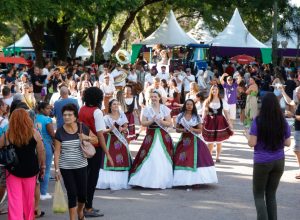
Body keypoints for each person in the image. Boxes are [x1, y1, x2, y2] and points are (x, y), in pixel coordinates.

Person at [246, 93, 291, 220]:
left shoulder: (258, 121)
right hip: (279, 161)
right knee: (271, 194)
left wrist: (247, 136)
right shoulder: (282, 120)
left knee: (259, 195)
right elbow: (288, 142)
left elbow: (252, 143)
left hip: (262, 161)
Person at [54, 104, 98, 220]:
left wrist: (86, 137)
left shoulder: (83, 128)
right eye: (64, 115)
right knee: (72, 194)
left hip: (81, 166)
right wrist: (57, 169)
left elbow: (96, 139)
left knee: (83, 195)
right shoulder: (59, 132)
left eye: (69, 115)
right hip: (66, 167)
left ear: (75, 116)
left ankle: (80, 212)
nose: (66, 117)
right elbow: (57, 152)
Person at [0, 109, 45, 220]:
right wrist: (42, 166)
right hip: (31, 170)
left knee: (14, 200)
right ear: (27, 119)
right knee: (29, 200)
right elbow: (41, 151)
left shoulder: (7, 135)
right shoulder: (34, 133)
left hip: (13, 171)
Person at [78, 87, 113, 217]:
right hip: (94, 148)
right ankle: (88, 208)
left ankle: (84, 206)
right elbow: (100, 135)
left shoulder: (82, 109)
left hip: (83, 146)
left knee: (85, 177)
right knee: (92, 179)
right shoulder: (97, 112)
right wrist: (108, 153)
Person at [129, 90, 173, 189]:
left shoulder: (164, 108)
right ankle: (145, 180)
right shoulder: (146, 109)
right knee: (149, 155)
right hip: (151, 135)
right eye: (152, 96)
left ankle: (162, 180)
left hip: (162, 134)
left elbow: (169, 123)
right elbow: (143, 123)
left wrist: (161, 121)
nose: (153, 98)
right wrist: (152, 120)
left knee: (161, 156)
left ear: (159, 98)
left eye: (155, 96)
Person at [173, 99, 218, 186]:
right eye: (187, 104)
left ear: (193, 106)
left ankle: (196, 181)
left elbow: (200, 130)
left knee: (197, 158)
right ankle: (182, 181)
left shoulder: (197, 117)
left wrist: (193, 129)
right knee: (182, 157)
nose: (189, 106)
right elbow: (177, 129)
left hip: (195, 139)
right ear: (185, 105)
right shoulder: (180, 116)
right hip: (184, 140)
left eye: (191, 104)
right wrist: (183, 129)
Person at [96, 99, 131, 190]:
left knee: (122, 158)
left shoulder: (122, 114)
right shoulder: (106, 117)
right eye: (114, 104)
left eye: (117, 104)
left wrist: (122, 129)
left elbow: (126, 126)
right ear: (110, 106)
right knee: (109, 158)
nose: (116, 106)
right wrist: (110, 129)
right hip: (110, 140)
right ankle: (107, 181)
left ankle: (121, 181)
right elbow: (102, 130)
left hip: (120, 140)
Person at [202, 85, 233, 162]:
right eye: (213, 89)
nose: (214, 91)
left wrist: (229, 122)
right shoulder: (207, 101)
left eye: (216, 89)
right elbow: (204, 112)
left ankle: (217, 157)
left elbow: (226, 112)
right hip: (210, 122)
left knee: (219, 141)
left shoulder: (222, 101)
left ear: (218, 91)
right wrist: (202, 121)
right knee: (210, 142)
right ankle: (209, 157)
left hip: (220, 122)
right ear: (211, 91)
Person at [279, 86, 300, 179]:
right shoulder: (298, 102)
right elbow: (289, 101)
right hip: (298, 130)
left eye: (298, 92)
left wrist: (293, 115)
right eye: (296, 92)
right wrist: (282, 91)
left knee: (297, 150)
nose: (296, 94)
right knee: (297, 150)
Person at [35, 102, 55, 200]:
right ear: (42, 109)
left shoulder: (34, 118)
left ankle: (35, 192)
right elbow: (52, 133)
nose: (50, 110)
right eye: (47, 108)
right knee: (45, 169)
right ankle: (43, 193)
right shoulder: (47, 119)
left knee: (36, 169)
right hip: (45, 145)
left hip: (35, 145)